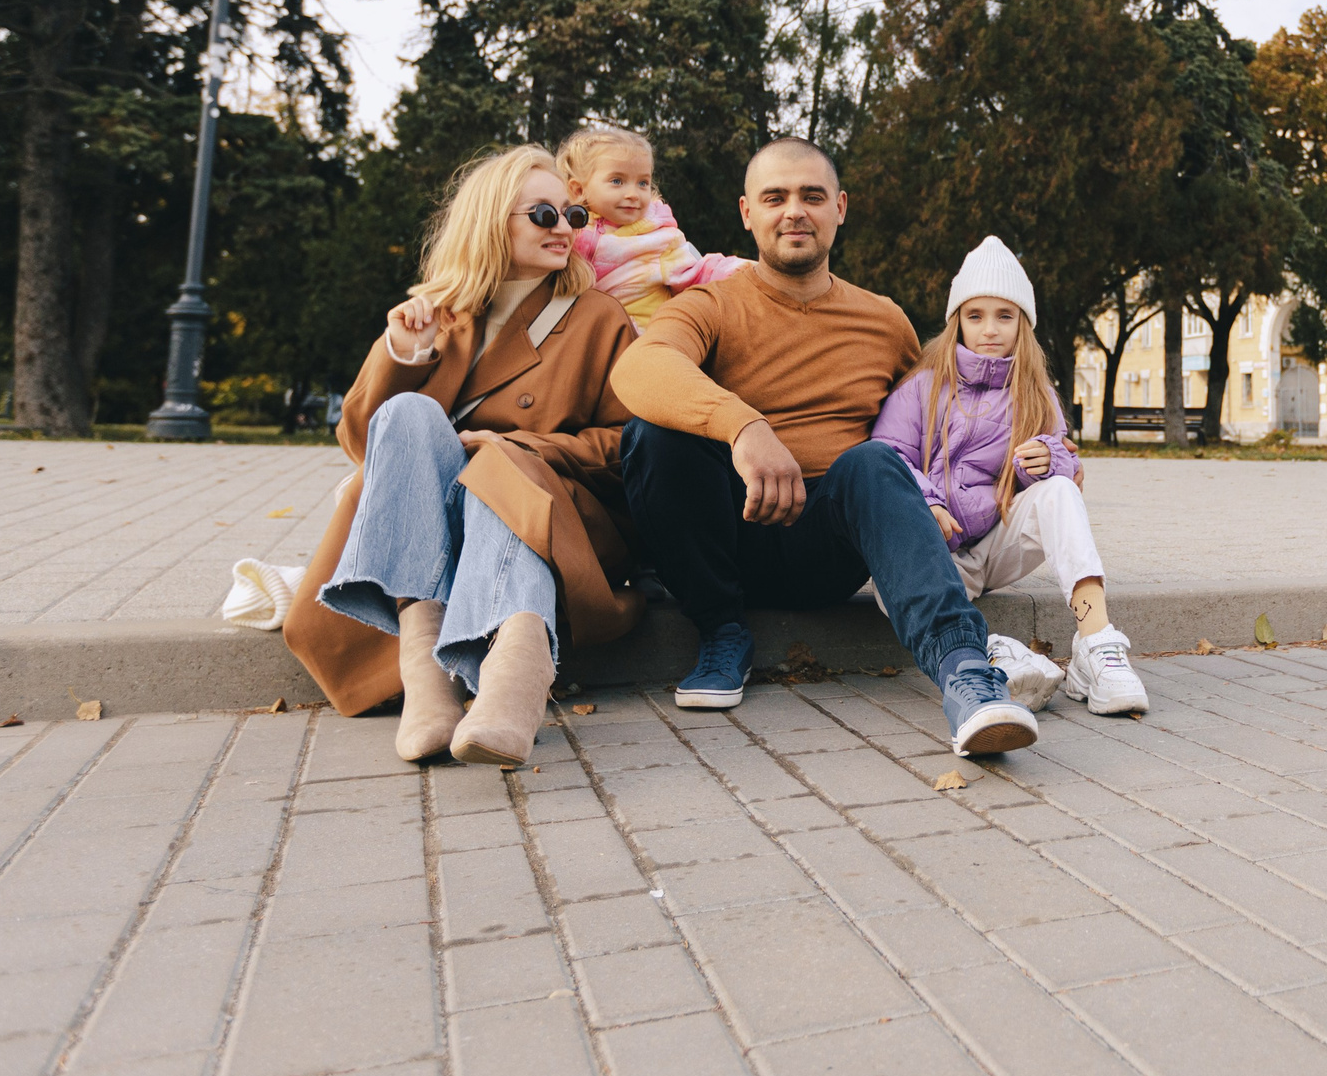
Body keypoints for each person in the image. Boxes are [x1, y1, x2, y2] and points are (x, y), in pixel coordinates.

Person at [615, 138, 1041, 757]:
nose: (794, 211)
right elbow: (640, 367)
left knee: (875, 461)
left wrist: (1039, 461)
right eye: (775, 198)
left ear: (839, 208)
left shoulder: (884, 320)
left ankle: (967, 675)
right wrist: (744, 427)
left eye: (811, 196)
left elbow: (937, 421)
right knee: (651, 435)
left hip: (830, 542)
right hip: (727, 533)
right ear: (747, 213)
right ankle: (722, 633)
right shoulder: (710, 304)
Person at [282, 146, 641, 766]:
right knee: (408, 413)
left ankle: (514, 678)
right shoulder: (438, 314)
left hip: (554, 519)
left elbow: (627, 444)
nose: (564, 227)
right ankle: (428, 676)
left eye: (574, 215)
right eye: (544, 214)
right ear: (491, 221)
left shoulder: (597, 317)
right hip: (436, 528)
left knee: (497, 468)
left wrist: (519, 446)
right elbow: (367, 445)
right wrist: (404, 355)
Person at [871, 236, 1147, 716]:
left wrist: (1047, 461)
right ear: (957, 321)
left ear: (1023, 323)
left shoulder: (1035, 392)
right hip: (933, 553)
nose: (990, 329)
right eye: (975, 316)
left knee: (1059, 491)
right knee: (885, 582)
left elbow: (1066, 462)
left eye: (1005, 316)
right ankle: (997, 654)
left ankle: (1097, 645)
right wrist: (927, 501)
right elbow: (887, 455)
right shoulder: (923, 386)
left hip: (994, 542)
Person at [556, 125, 745, 327]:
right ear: (578, 190)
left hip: (643, 333)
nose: (633, 194)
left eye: (643, 183)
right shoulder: (565, 230)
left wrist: (740, 272)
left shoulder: (658, 237)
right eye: (617, 181)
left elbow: (696, 272)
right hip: (585, 332)